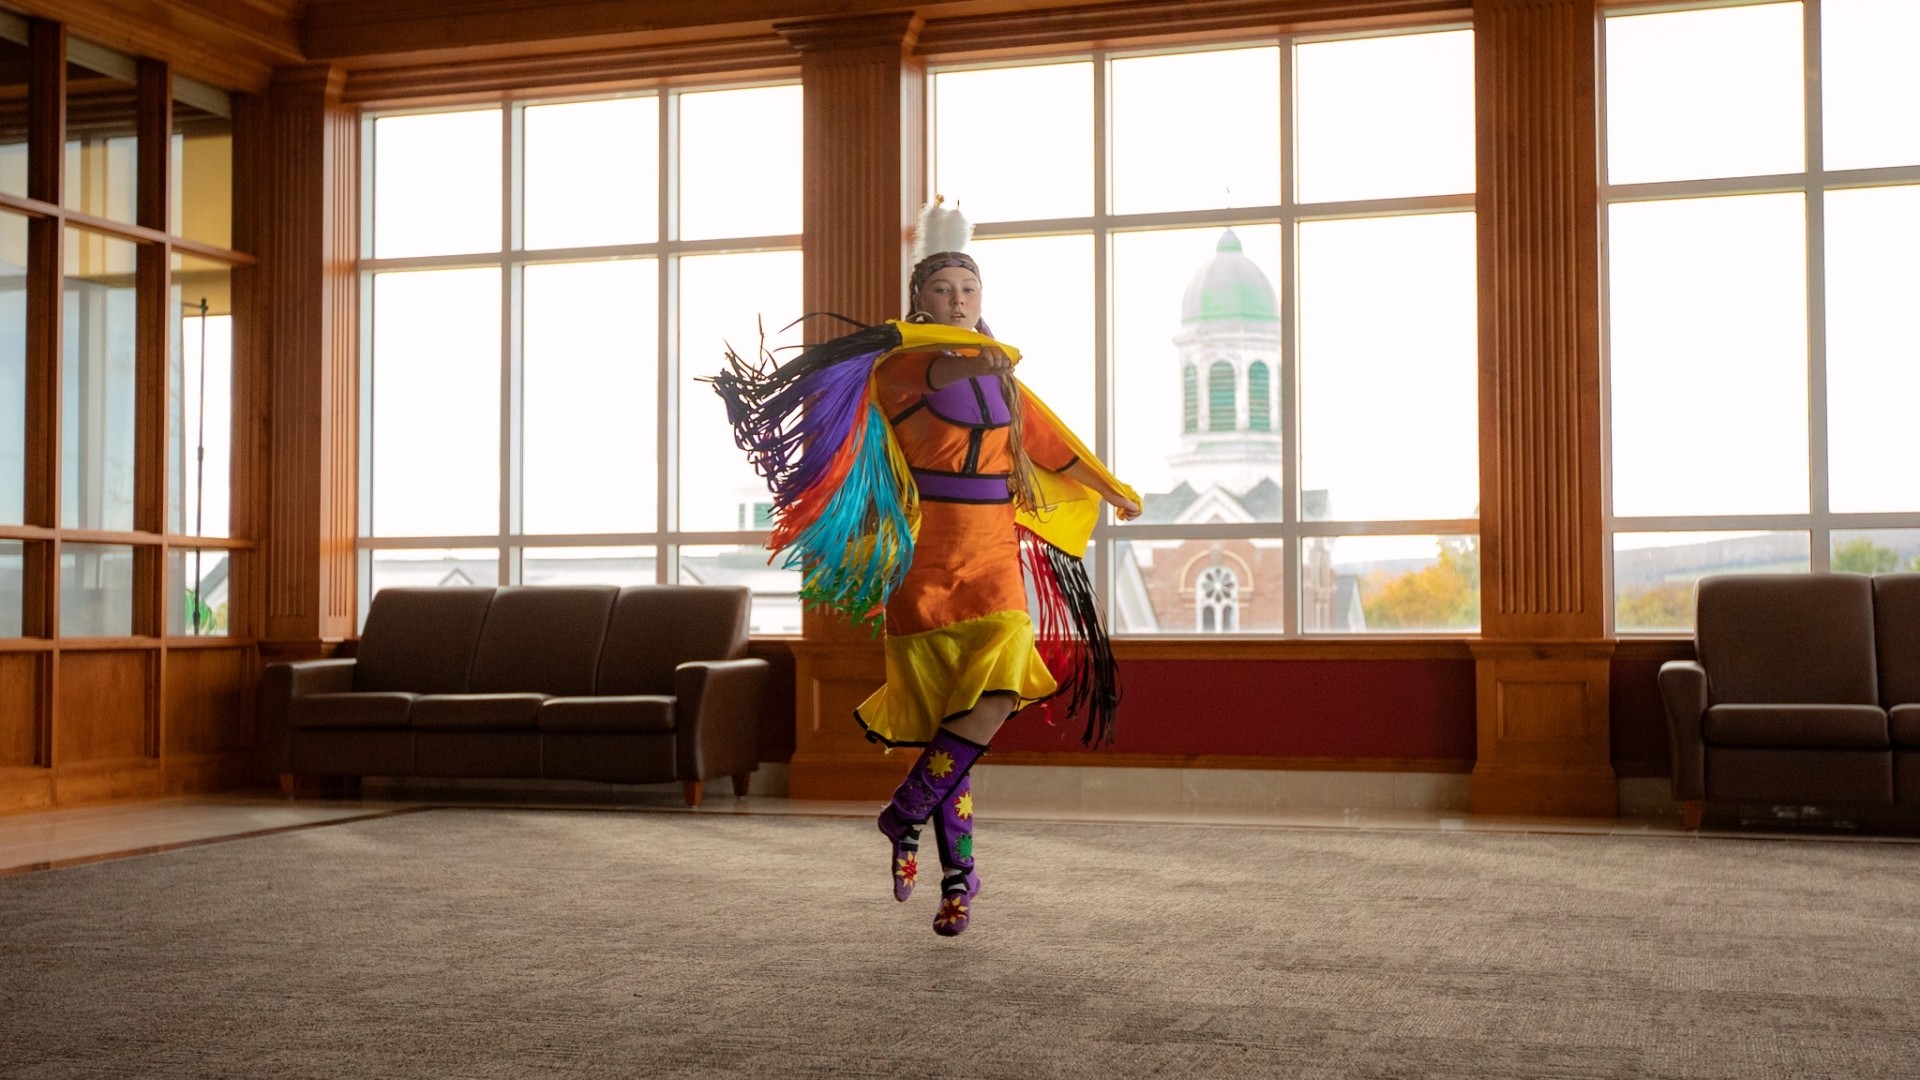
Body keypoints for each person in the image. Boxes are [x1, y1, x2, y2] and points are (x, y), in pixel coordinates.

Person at [710, 197, 1140, 937]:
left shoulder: (1004, 376)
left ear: (983, 302)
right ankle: (958, 885)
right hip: (926, 561)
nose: (959, 300)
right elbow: (832, 430)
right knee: (959, 726)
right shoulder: (894, 371)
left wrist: (1110, 488)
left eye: (970, 290)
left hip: (994, 555)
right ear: (919, 299)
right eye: (944, 289)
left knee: (997, 695)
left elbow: (1049, 445)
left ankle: (905, 815)